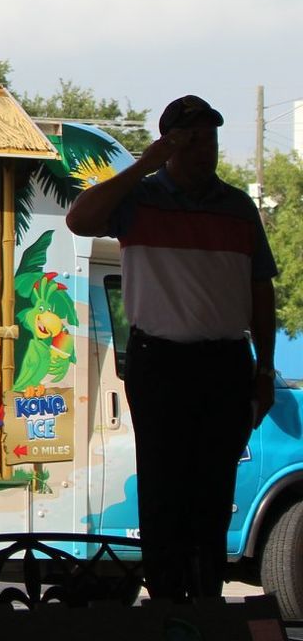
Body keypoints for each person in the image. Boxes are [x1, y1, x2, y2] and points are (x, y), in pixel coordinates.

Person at [64, 93, 277, 602]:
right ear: (170, 144)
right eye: (193, 140)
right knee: (163, 488)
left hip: (226, 362)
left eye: (211, 139)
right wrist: (146, 164)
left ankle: (205, 601)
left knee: (214, 491)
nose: (206, 150)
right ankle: (166, 605)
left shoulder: (238, 207)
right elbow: (79, 220)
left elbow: (260, 290)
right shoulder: (138, 199)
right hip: (160, 361)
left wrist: (265, 369)